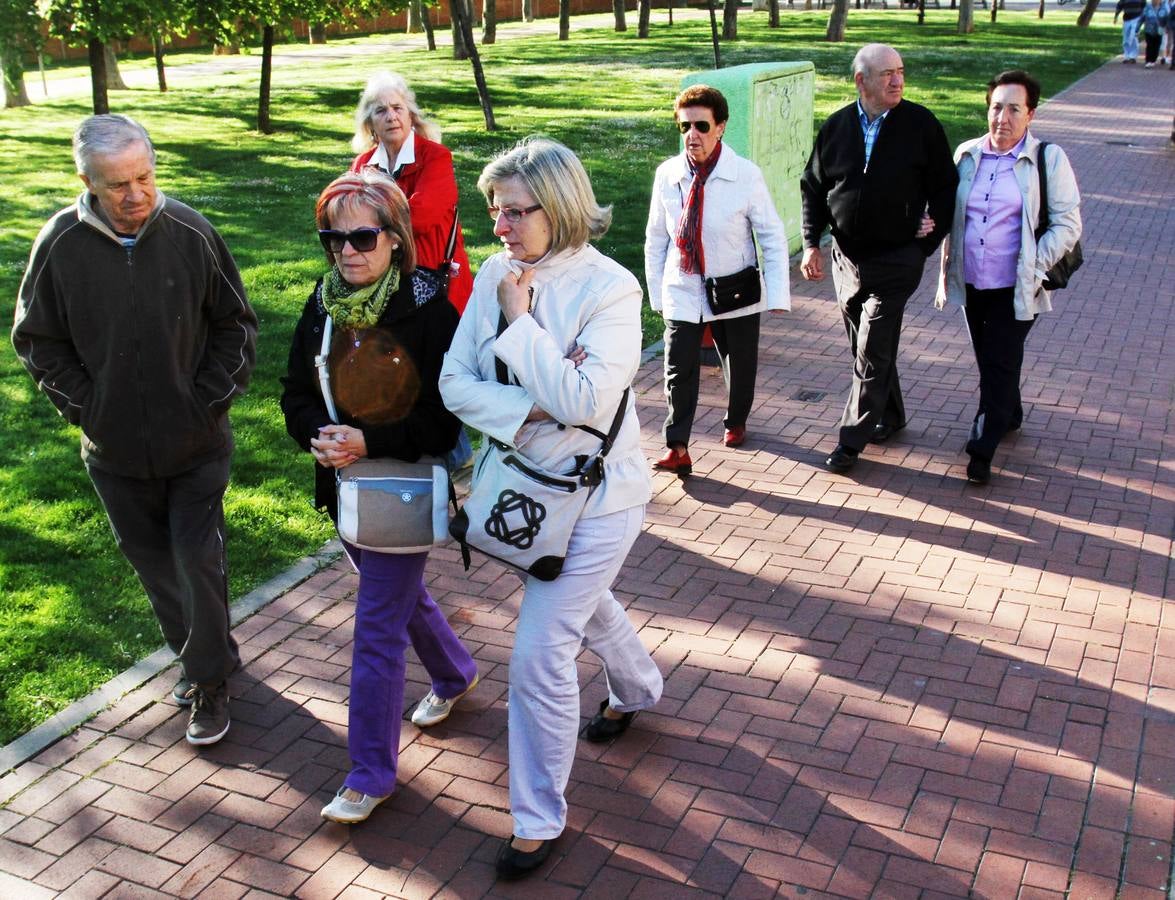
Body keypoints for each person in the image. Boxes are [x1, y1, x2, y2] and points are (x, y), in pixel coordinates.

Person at [439, 138, 663, 880]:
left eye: (513, 212)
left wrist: (521, 323)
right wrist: (526, 409)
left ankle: (536, 818)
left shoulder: (611, 288)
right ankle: (637, 687)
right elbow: (453, 382)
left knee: (540, 649)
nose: (499, 227)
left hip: (602, 495)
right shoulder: (499, 273)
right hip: (529, 490)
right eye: (493, 211)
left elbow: (586, 401)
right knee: (573, 598)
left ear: (558, 206)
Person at [12, 114, 257, 747]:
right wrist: (88, 408)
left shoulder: (189, 231)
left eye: (144, 176)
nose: (136, 195)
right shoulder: (59, 243)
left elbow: (236, 324)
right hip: (114, 452)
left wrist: (208, 401)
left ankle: (207, 682)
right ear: (87, 181)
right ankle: (210, 656)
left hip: (197, 443)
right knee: (155, 566)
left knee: (197, 559)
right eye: (117, 184)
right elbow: (37, 340)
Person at [280, 171, 479, 824]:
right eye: (332, 238)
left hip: (403, 487)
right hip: (344, 487)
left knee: (374, 631)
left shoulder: (430, 311)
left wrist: (366, 440)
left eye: (362, 236)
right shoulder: (323, 304)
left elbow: (446, 420)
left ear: (394, 238)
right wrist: (320, 435)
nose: (347, 251)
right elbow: (294, 393)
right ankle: (453, 672)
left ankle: (369, 771)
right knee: (396, 601)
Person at [800, 43, 958, 474]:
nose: (897, 80)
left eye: (901, 72)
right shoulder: (836, 128)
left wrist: (928, 235)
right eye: (887, 73)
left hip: (897, 261)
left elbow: (947, 186)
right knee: (865, 347)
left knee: (872, 347)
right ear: (861, 80)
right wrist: (811, 242)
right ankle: (892, 415)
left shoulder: (920, 124)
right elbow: (813, 186)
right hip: (847, 261)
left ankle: (851, 441)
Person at [935, 71, 1082, 485]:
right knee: (991, 359)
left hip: (1017, 285)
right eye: (996, 106)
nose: (1003, 117)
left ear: (1031, 114)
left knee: (998, 363)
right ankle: (1010, 411)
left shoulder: (1048, 159)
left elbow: (1068, 225)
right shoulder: (966, 155)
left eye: (1014, 108)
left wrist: (1034, 268)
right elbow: (948, 211)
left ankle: (981, 450)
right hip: (972, 280)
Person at [644, 84, 790, 476]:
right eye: (685, 126)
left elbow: (772, 235)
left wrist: (776, 293)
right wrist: (658, 292)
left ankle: (736, 420)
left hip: (734, 287)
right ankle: (677, 445)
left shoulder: (745, 175)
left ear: (721, 127)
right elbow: (657, 236)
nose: (692, 135)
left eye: (702, 125)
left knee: (739, 364)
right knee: (678, 369)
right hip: (683, 285)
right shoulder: (668, 176)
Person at [349, 71, 473, 313]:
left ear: (411, 116)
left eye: (397, 108)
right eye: (381, 111)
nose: (391, 117)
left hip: (436, 276)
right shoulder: (362, 165)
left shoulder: (436, 157)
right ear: (370, 123)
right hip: (382, 280)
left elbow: (422, 217)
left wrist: (371, 230)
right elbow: (347, 217)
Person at [1139, 0, 1170, 67]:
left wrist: (1167, 27)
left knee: (1156, 46)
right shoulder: (1147, 7)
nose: (1155, 1)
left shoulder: (1164, 8)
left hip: (1159, 30)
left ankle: (1153, 60)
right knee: (1149, 45)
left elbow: (1167, 18)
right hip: (1149, 30)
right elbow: (1142, 18)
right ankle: (1148, 61)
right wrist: (1137, 29)